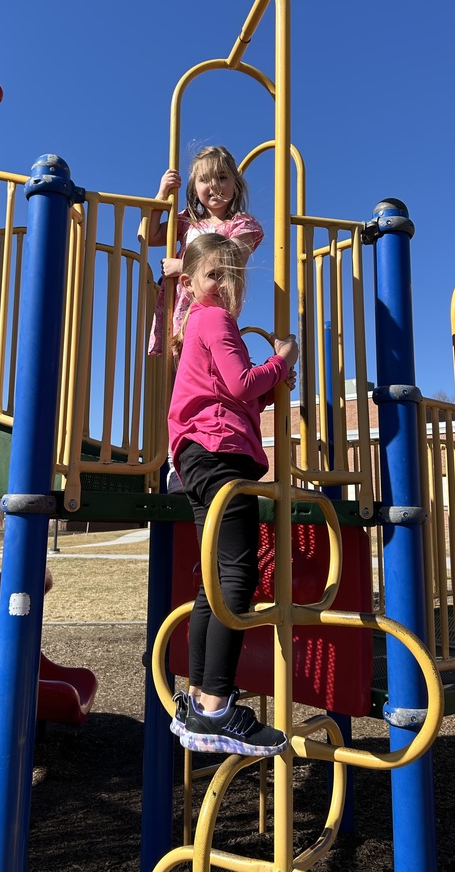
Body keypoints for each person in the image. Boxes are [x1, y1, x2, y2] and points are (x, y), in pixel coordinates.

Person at [166, 233, 298, 757]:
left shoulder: (198, 325)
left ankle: (199, 698)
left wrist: (266, 385)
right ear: (191, 282)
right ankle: (218, 708)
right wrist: (283, 360)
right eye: (213, 274)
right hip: (219, 450)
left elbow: (233, 388)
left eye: (232, 275)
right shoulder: (214, 319)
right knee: (237, 576)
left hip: (197, 451)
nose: (223, 284)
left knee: (215, 581)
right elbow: (243, 384)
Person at [141, 145, 264, 491]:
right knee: (180, 390)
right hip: (181, 316)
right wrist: (161, 194)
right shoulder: (186, 221)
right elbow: (147, 235)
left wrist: (184, 265)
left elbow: (231, 259)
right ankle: (174, 461)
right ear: (194, 186)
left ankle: (217, 449)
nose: (214, 187)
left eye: (222, 177)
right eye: (205, 180)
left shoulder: (244, 225)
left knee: (213, 386)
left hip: (212, 319)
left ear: (236, 184)